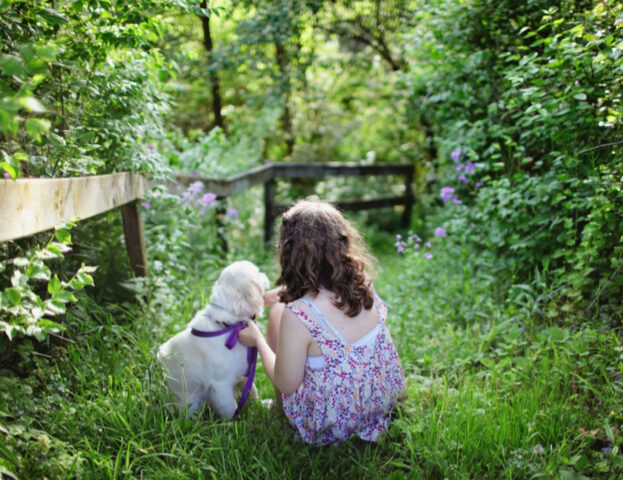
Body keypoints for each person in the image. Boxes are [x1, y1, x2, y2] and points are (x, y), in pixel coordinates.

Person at [238, 199, 405, 445]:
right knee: (284, 311)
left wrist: (258, 341)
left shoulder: (298, 314)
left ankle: (280, 410)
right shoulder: (363, 284)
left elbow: (287, 383)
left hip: (332, 423)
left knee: (277, 313)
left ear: (285, 253)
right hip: (381, 401)